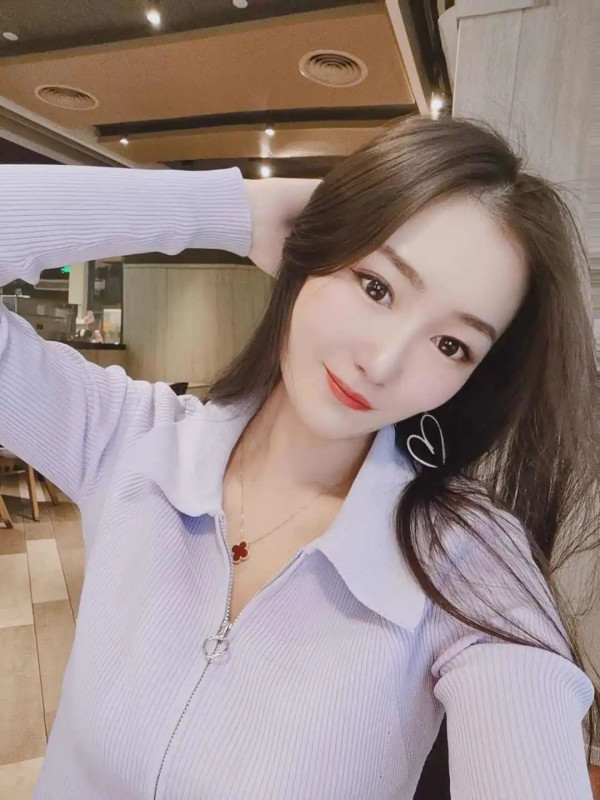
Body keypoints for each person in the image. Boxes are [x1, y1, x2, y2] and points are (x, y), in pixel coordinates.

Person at [0, 114, 598, 800]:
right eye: (376, 286)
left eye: (450, 345)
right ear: (312, 255)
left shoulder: (467, 565)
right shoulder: (127, 439)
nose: (381, 362)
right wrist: (234, 210)